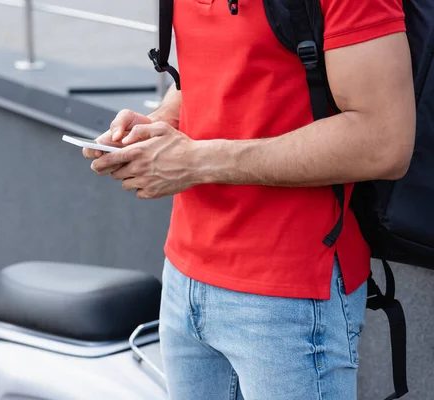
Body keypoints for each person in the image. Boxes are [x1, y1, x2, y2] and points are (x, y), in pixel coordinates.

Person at [83, 0, 415, 398]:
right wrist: (158, 125)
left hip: (290, 295)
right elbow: (215, 70)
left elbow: (384, 142)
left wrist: (196, 162)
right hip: (183, 279)